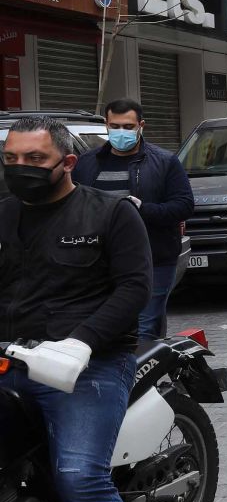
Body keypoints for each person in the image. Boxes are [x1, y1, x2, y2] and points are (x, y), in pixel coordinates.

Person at [0, 115, 152, 502]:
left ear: (67, 162)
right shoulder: (3, 214)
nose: (19, 167)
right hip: (10, 359)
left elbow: (135, 289)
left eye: (34, 157)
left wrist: (82, 342)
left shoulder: (111, 213)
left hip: (88, 366)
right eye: (10, 158)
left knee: (80, 477)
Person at [72, 98, 194, 343]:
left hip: (153, 258)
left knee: (145, 325)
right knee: (108, 324)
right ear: (106, 125)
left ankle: (137, 377)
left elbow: (183, 205)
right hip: (98, 260)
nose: (121, 132)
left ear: (141, 126)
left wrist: (142, 209)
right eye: (115, 126)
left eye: (128, 127)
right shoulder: (87, 162)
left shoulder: (164, 161)